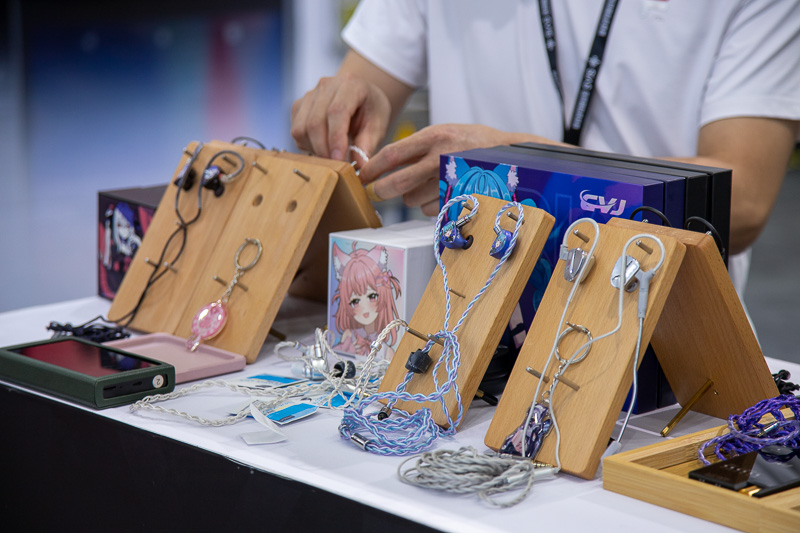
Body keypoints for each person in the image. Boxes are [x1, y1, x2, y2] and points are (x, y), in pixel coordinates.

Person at [291, 0, 800, 294]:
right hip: (466, 310)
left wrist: (523, 163)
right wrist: (351, 103)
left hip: (651, 324)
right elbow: (366, 81)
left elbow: (741, 202)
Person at [330, 241, 402, 358]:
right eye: (355, 301)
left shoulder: (386, 351)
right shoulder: (349, 337)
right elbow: (337, 357)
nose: (365, 308)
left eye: (372, 297)